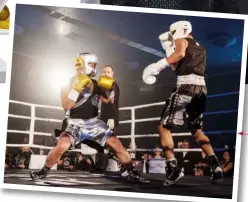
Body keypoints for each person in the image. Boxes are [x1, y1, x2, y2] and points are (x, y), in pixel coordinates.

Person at [30, 52, 149, 184]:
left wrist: (110, 89)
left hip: (94, 123)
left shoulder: (96, 83)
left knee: (117, 145)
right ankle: (43, 171)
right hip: (75, 122)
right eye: (91, 65)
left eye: (94, 65)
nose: (94, 68)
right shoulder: (68, 82)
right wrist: (76, 89)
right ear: (82, 64)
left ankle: (132, 172)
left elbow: (108, 100)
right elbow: (66, 105)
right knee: (62, 145)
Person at [142, 21, 223, 186]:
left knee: (164, 126)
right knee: (197, 130)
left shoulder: (182, 40)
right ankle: (216, 166)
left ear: (180, 30)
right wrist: (167, 48)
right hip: (202, 88)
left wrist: (156, 66)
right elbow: (178, 66)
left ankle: (173, 168)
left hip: (186, 87)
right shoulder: (200, 48)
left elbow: (178, 55)